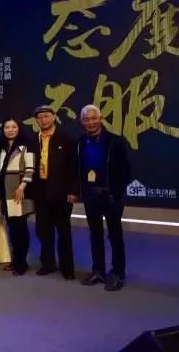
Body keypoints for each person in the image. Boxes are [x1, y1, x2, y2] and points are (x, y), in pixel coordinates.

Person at [77, 105, 131, 291]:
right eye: (87, 119)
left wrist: (117, 193)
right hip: (90, 196)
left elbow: (126, 170)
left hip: (111, 196)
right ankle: (98, 270)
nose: (90, 122)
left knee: (115, 235)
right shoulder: (81, 141)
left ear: (100, 119)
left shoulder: (116, 141)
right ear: (82, 122)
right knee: (95, 234)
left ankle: (118, 273)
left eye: (94, 118)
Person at [31, 105, 79, 280]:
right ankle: (48, 264)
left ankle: (67, 267)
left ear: (54, 117)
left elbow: (74, 167)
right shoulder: (32, 140)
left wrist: (73, 190)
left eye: (46, 116)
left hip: (61, 191)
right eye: (40, 117)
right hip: (40, 191)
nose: (43, 120)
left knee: (63, 230)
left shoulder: (66, 138)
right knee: (43, 230)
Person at [0, 118, 35, 276]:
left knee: (21, 229)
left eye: (14, 127)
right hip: (5, 194)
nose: (10, 130)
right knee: (12, 229)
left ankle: (22, 263)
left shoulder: (26, 146)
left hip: (19, 193)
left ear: (19, 129)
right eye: (7, 127)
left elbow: (30, 169)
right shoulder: (1, 147)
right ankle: (16, 260)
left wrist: (22, 186)